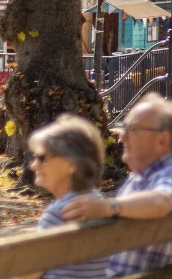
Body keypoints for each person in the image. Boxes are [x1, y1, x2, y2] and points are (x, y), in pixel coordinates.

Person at [62, 94, 172, 275]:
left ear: (162, 140)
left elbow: (162, 202)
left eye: (133, 130)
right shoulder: (144, 176)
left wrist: (107, 207)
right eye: (124, 128)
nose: (122, 136)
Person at [27, 115, 108, 279]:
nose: (33, 165)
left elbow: (28, 275)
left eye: (42, 158)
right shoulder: (99, 204)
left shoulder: (60, 213)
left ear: (72, 164)